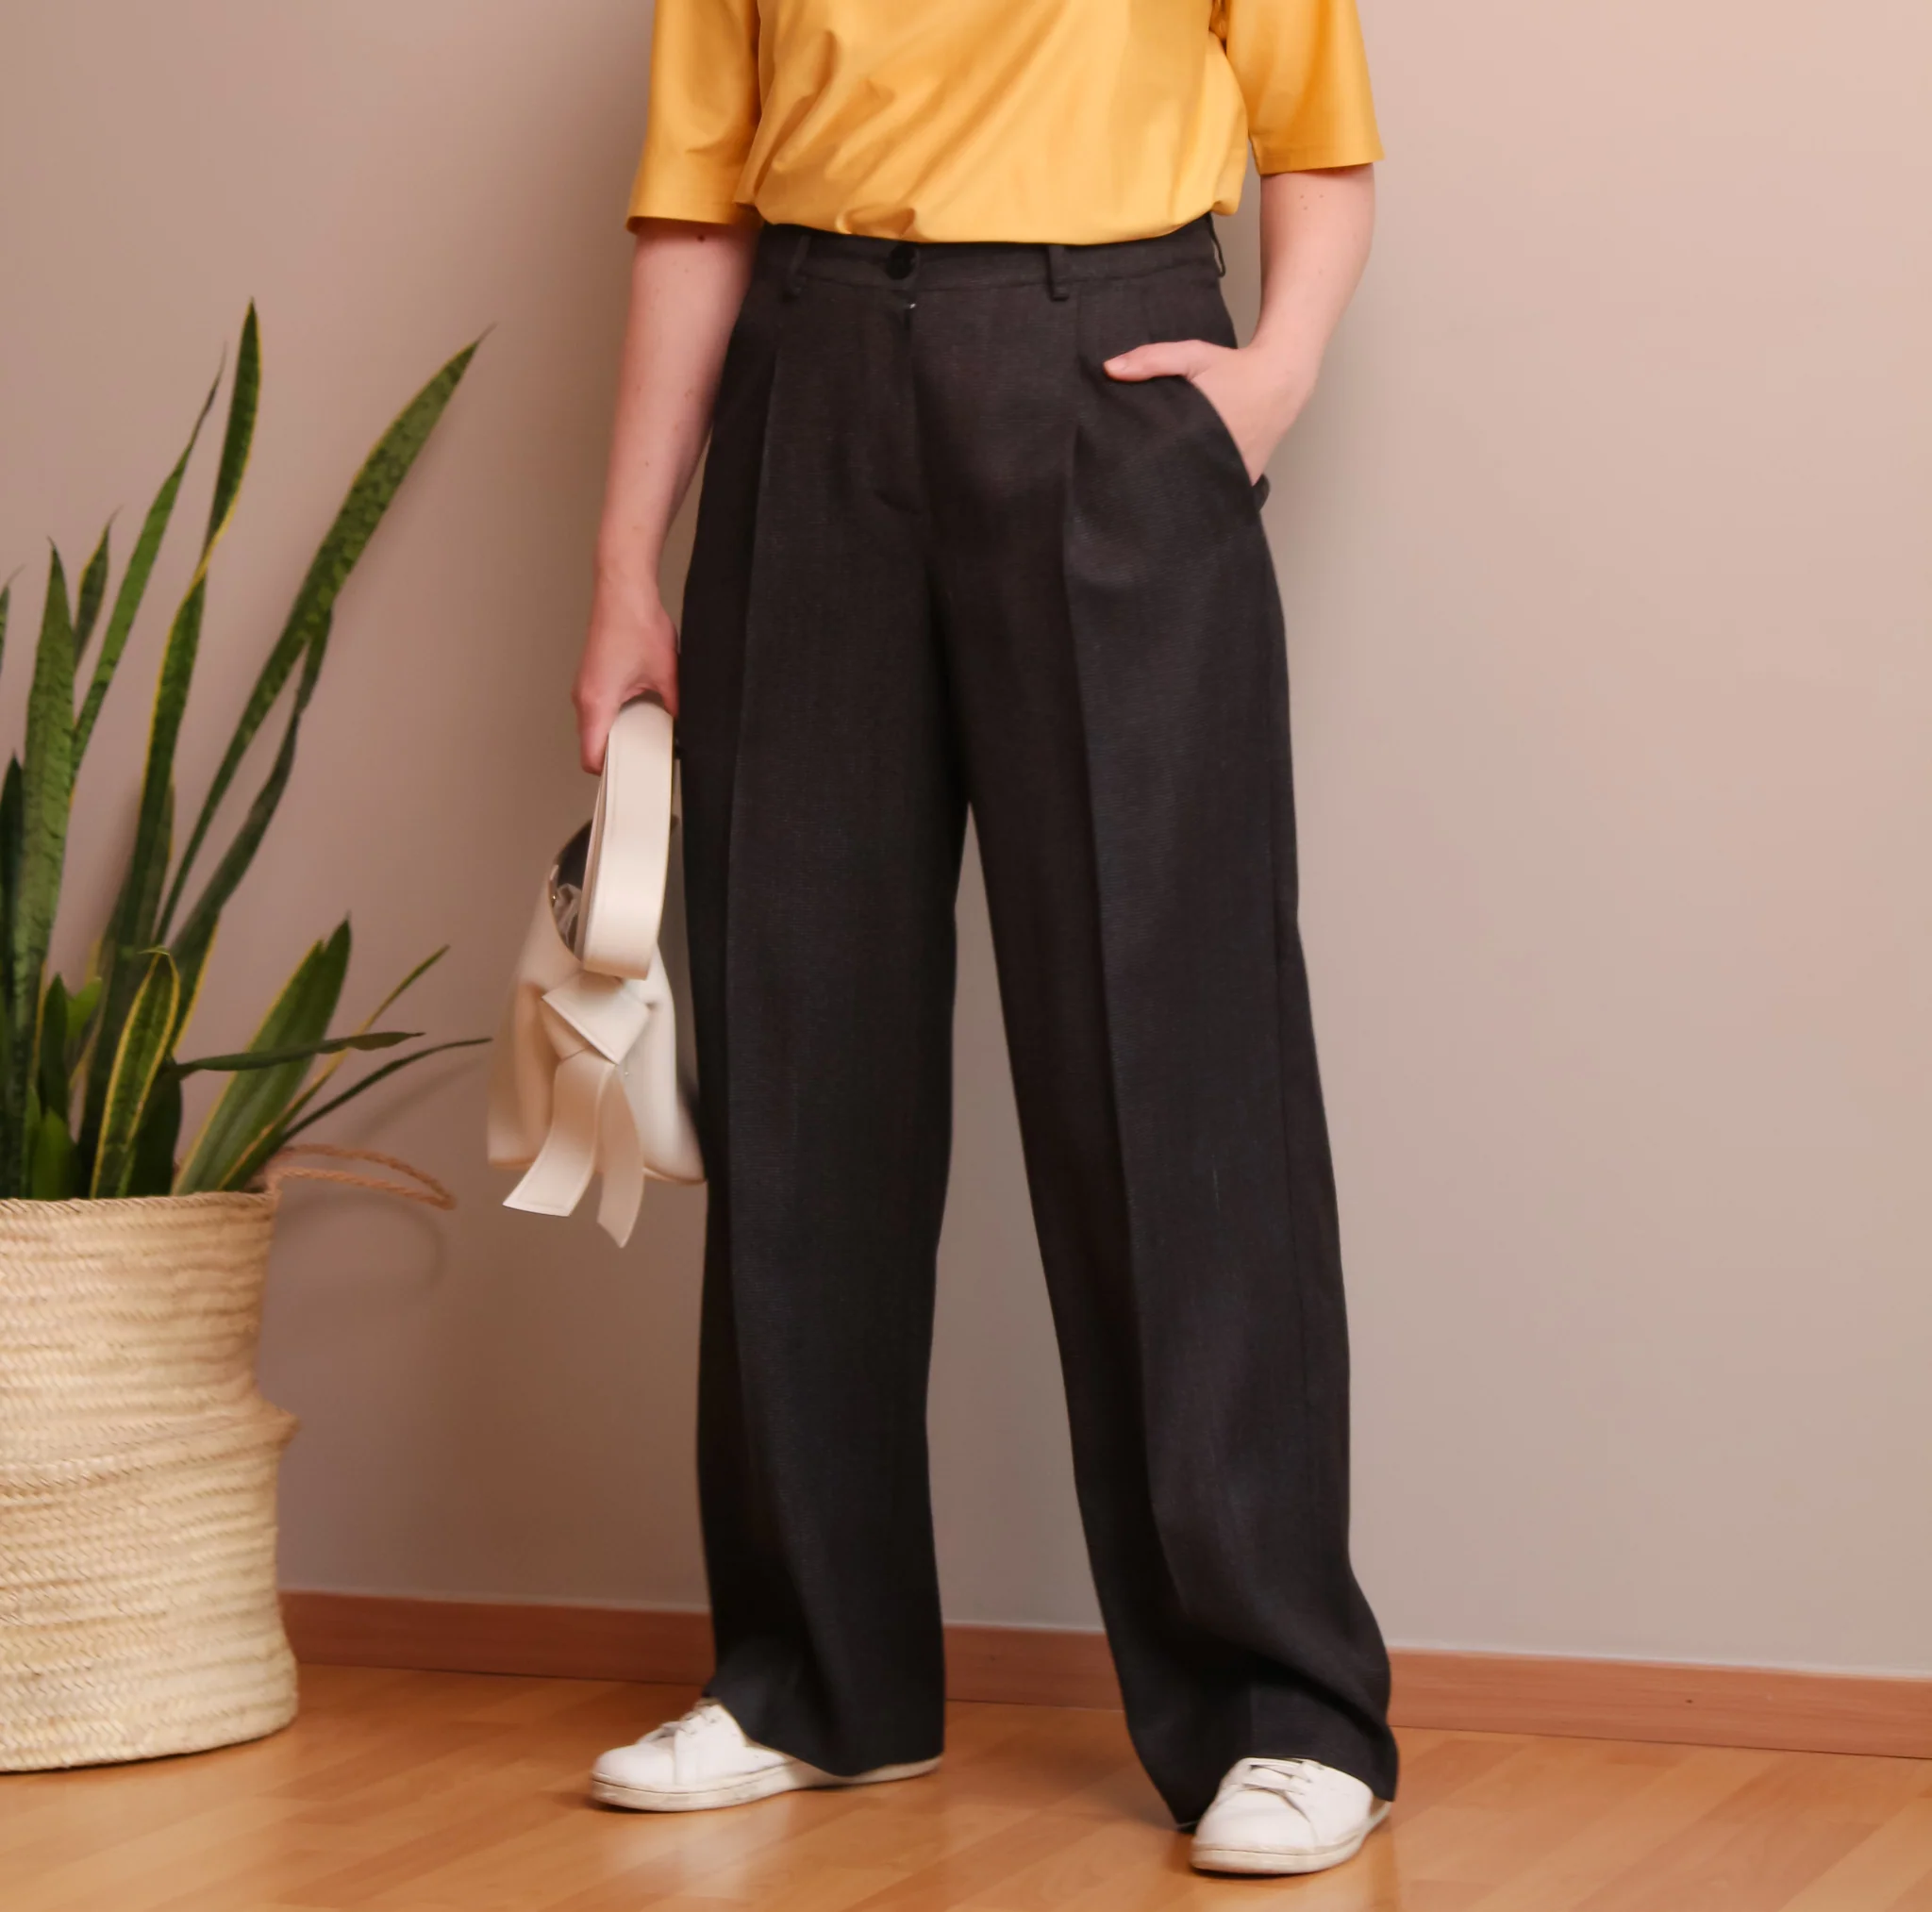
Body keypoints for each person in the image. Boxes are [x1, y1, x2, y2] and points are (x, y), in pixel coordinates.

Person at [573, 0, 1396, 1879]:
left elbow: (1320, 143)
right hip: (809, 377)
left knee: (1171, 1061)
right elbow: (695, 200)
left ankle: (1281, 1707)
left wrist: (1266, 380)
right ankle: (812, 1677)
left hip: (1106, 362)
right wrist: (626, 557)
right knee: (796, 1048)